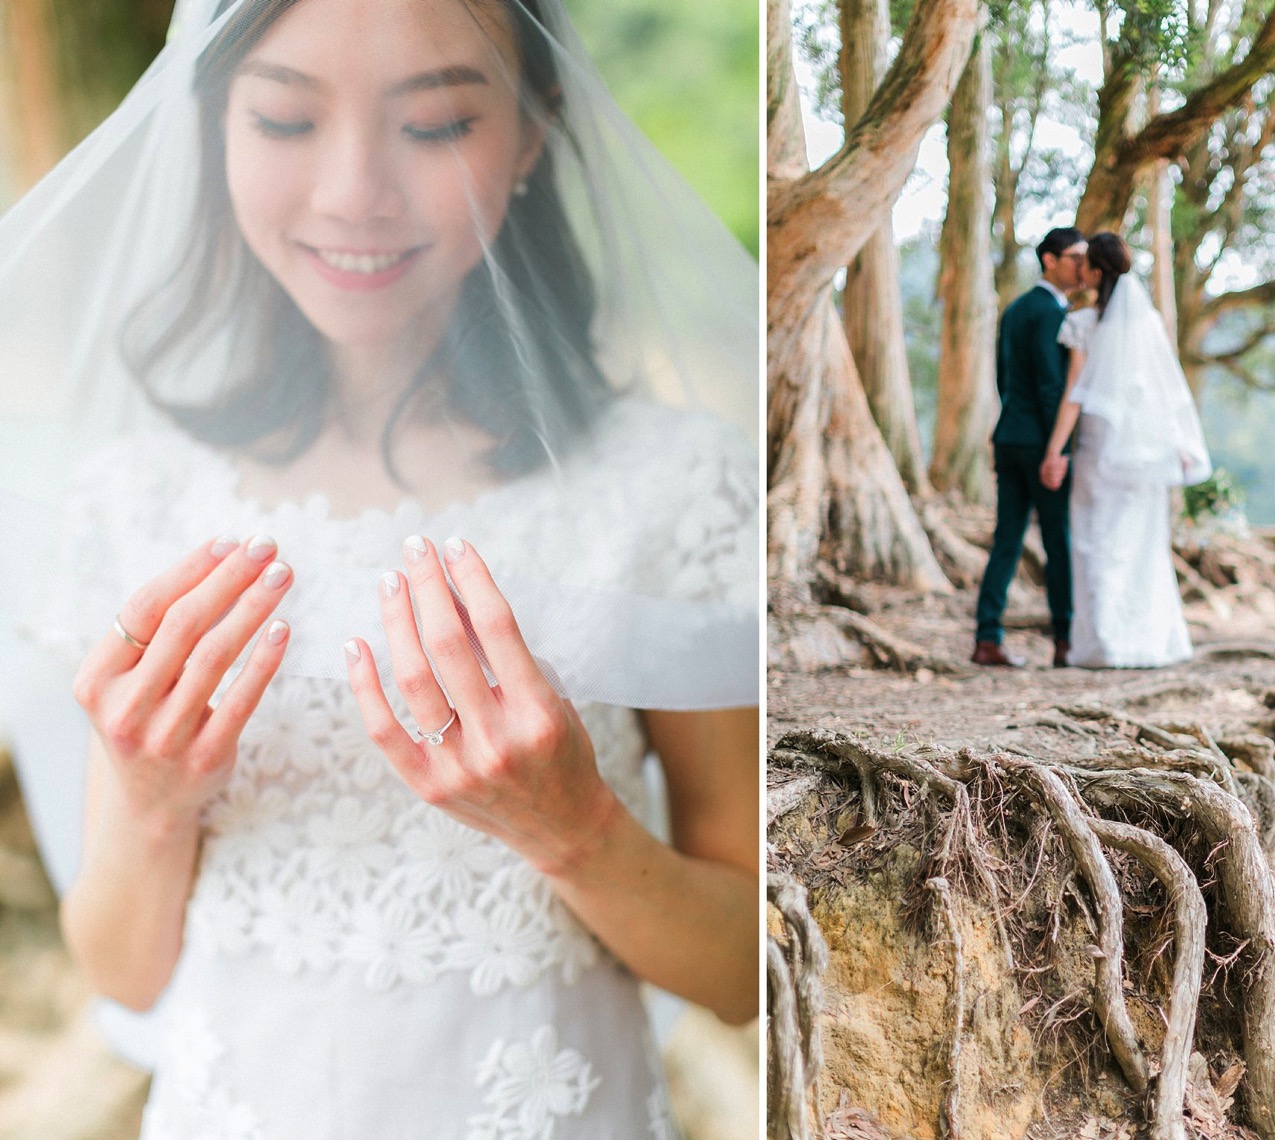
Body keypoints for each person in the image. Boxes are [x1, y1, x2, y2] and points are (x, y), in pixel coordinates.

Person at [0, 0, 759, 1136]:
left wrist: (577, 833)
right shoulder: (140, 496)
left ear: (533, 134)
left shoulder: (673, 488)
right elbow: (122, 974)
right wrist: (154, 805)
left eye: (439, 123)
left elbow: (750, 975)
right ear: (213, 126)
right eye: (284, 118)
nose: (354, 190)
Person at [1039, 233, 1211, 668]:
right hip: (1146, 454)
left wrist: (1055, 451)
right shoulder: (1148, 323)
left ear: (1095, 272)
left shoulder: (1083, 323)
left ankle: (1103, 644)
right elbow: (1166, 392)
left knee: (1096, 543)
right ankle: (1148, 642)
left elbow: (1075, 394)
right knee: (1142, 546)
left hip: (1100, 452)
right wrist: (1179, 444)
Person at [972, 226, 1085, 669]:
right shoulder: (1051, 313)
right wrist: (1058, 449)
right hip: (1041, 444)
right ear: (1050, 260)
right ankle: (1064, 641)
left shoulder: (1015, 308)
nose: (1083, 265)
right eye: (1075, 256)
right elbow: (1051, 385)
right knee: (1057, 541)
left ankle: (987, 637)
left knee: (1007, 540)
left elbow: (1004, 377)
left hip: (1008, 435)